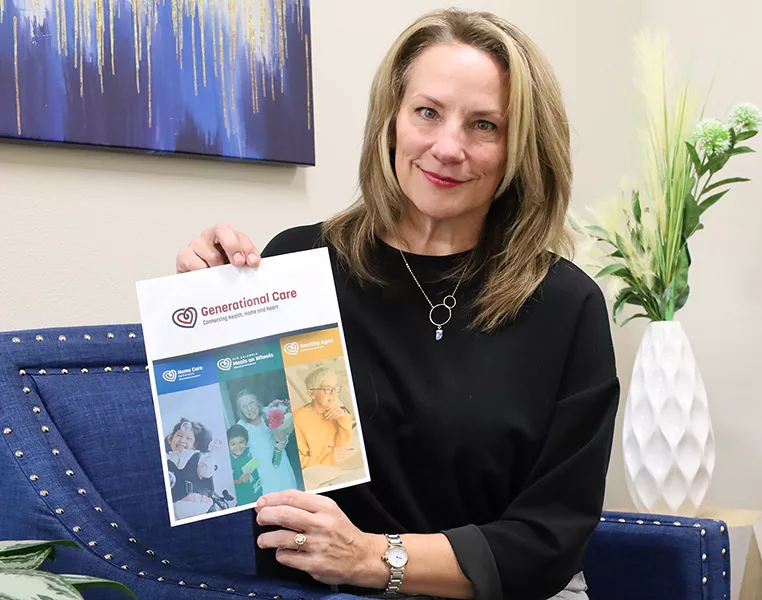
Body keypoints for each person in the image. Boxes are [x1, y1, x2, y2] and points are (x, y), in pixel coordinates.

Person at [174, 8, 619, 600]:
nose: (448, 147)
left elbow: (550, 536)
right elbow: (239, 452)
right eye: (428, 113)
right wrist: (203, 303)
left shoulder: (567, 305)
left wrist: (372, 557)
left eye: (485, 125)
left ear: (519, 148)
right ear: (392, 120)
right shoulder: (299, 263)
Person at [235, 390, 299, 495]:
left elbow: (286, 426)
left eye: (251, 403)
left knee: (291, 495)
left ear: (257, 402)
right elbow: (239, 456)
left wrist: (283, 440)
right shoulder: (240, 428)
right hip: (263, 474)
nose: (249, 408)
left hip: (281, 465)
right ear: (240, 411)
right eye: (244, 406)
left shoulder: (271, 413)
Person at [294, 367, 354, 468]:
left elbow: (343, 445)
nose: (334, 393)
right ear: (312, 393)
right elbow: (299, 462)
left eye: (335, 388)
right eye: (328, 389)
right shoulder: (295, 420)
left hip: (340, 466)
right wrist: (331, 459)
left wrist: (343, 418)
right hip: (318, 473)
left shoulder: (336, 411)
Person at [165, 418, 221, 519]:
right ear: (170, 439)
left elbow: (207, 472)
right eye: (179, 436)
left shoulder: (199, 458)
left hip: (198, 508)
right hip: (177, 511)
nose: (182, 440)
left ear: (194, 445)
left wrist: (211, 452)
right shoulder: (166, 461)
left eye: (188, 438)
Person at [228, 424, 264, 506]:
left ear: (246, 442)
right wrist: (240, 481)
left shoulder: (249, 453)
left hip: (258, 494)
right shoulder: (229, 462)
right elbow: (227, 483)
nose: (238, 447)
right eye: (233, 444)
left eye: (241, 442)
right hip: (244, 500)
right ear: (228, 446)